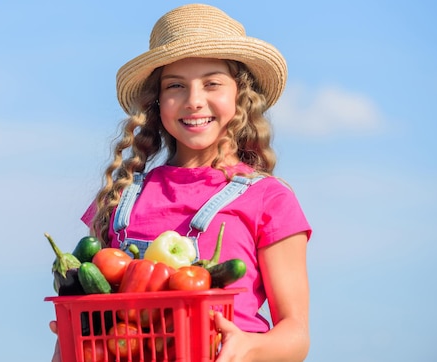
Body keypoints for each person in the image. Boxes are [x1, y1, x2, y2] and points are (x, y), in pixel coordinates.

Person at [50, 3, 311, 361]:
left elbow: (296, 335)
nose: (194, 101)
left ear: (241, 95)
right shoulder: (120, 198)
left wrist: (249, 346)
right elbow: (82, 323)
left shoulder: (268, 199)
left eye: (212, 83)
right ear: (157, 102)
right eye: (176, 86)